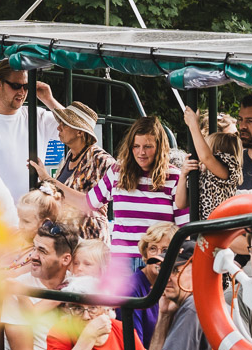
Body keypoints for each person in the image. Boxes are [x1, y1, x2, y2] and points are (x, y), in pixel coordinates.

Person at [36, 115, 189, 271]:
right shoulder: (118, 171)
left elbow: (183, 228)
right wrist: (48, 179)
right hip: (122, 261)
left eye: (148, 146)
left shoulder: (175, 176)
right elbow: (88, 203)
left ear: (159, 147)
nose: (141, 152)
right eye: (136, 146)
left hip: (159, 260)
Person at [0, 61, 63, 200]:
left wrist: (49, 99)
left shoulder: (37, 116)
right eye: (15, 86)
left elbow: (80, 130)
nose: (22, 92)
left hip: (33, 213)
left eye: (26, 86)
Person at [3, 219, 83, 350]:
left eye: (42, 251)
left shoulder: (76, 284)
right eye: (34, 248)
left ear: (65, 259)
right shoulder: (18, 287)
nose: (33, 256)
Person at [50, 100, 115, 238]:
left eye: (64, 124)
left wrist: (48, 180)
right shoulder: (70, 156)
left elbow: (121, 178)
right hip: (67, 241)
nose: (58, 128)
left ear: (79, 131)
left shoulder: (100, 158)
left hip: (89, 243)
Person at [117, 223, 176, 347]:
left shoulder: (178, 284)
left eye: (165, 250)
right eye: (153, 249)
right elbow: (135, 349)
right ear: (145, 253)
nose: (157, 256)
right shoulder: (131, 289)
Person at [182, 105, 242, 218]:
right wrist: (183, 175)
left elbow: (207, 157)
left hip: (220, 228)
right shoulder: (202, 172)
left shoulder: (228, 169)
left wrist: (193, 125)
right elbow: (181, 203)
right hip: (204, 229)